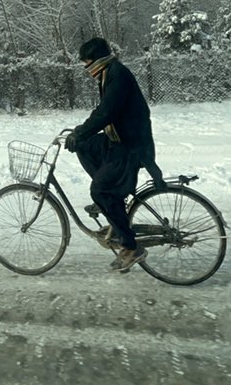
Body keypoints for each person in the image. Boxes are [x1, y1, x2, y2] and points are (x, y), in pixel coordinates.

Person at [64, 37, 164, 272]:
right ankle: (110, 199)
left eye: (87, 62)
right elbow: (103, 110)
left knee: (100, 190)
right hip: (118, 140)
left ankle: (131, 247)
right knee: (85, 144)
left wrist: (82, 131)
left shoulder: (117, 75)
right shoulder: (109, 73)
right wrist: (80, 133)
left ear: (98, 60)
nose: (86, 68)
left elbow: (107, 112)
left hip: (130, 146)